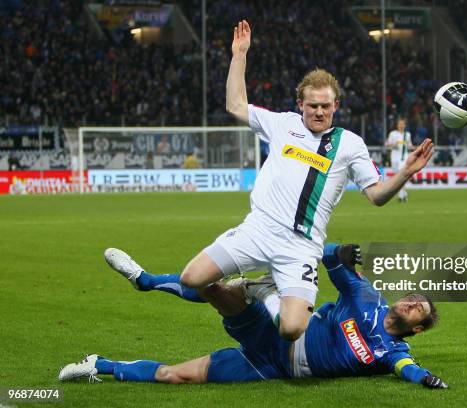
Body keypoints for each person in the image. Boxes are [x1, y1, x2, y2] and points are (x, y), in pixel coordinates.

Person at [161, 20, 434, 342]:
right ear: (300, 104)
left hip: (301, 247)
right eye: (312, 106)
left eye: (326, 106)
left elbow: (375, 196)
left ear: (337, 106)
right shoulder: (282, 124)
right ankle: (255, 288)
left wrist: (403, 173)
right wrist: (239, 55)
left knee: (291, 329)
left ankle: (263, 288)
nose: (319, 112)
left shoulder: (350, 143)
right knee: (192, 278)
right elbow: (235, 105)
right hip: (259, 229)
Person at [59, 244, 447, 389]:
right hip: (280, 330)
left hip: (266, 366)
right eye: (413, 297)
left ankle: (98, 365)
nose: (411, 301)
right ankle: (146, 280)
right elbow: (327, 257)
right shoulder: (367, 298)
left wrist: (425, 378)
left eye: (419, 309)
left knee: (172, 375)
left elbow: (407, 369)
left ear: (415, 328)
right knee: (214, 289)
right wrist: (340, 251)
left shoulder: (391, 352)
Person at [385, 117, 414, 202]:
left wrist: (417, 148)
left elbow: (410, 145)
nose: (401, 125)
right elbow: (387, 144)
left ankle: (401, 196)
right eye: (399, 124)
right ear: (397, 125)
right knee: (397, 177)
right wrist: (394, 144)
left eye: (402, 124)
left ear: (405, 125)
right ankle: (404, 194)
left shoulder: (407, 134)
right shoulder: (393, 134)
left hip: (404, 158)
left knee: (401, 177)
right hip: (394, 158)